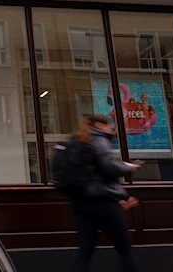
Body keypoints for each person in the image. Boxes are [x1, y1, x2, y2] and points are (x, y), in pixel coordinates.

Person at [70, 114, 140, 272]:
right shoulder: (99, 140)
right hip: (102, 202)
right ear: (100, 126)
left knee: (85, 251)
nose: (109, 129)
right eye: (108, 126)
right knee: (124, 247)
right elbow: (108, 168)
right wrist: (128, 167)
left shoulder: (76, 141)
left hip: (80, 203)